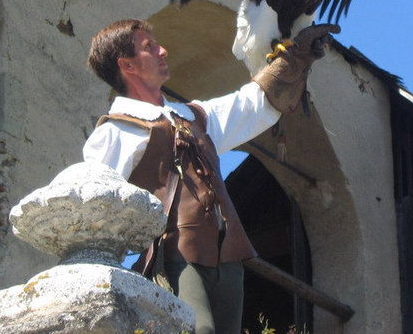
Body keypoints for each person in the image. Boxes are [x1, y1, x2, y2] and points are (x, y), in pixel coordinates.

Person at [82, 18, 337, 334]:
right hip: (177, 258)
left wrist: (296, 56)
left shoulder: (197, 116)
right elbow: (95, 209)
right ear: (127, 65)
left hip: (229, 258)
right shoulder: (116, 131)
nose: (163, 50)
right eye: (149, 47)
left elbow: (251, 103)